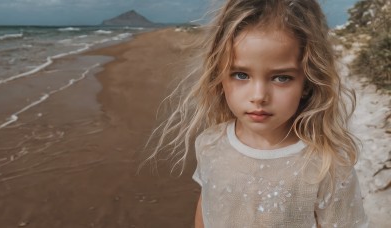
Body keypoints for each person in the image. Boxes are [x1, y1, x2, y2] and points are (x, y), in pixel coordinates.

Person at [146, 0, 368, 227]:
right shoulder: (211, 144)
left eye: (281, 78)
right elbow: (206, 210)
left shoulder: (327, 166)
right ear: (219, 75)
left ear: (308, 83)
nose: (259, 96)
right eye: (241, 75)